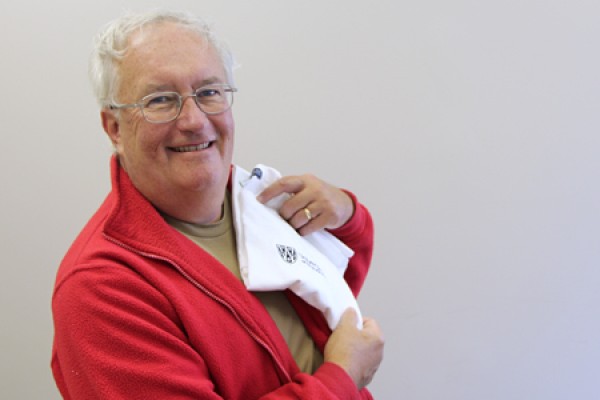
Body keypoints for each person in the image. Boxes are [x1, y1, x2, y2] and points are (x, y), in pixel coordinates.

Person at [51, 9, 384, 400]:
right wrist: (342, 379)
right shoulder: (100, 289)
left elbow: (325, 295)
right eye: (161, 100)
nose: (193, 120)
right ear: (115, 129)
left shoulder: (255, 200)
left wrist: (347, 217)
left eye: (208, 92)